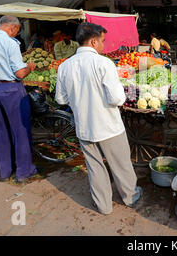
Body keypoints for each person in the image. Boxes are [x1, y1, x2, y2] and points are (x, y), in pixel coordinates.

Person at [55, 22, 142, 215]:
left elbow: (60, 99)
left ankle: (103, 205)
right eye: (102, 41)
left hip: (84, 127)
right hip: (109, 126)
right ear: (93, 41)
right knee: (121, 164)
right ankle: (130, 197)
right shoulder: (103, 63)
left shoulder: (65, 66)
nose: (104, 45)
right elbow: (118, 98)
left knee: (95, 167)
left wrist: (79, 98)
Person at [0, 16, 39, 183]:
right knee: (20, 131)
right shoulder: (10, 43)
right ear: (12, 28)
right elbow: (20, 73)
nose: (17, 34)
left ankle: (4, 172)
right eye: (17, 31)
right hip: (11, 89)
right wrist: (30, 66)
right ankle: (23, 172)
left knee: (1, 131)